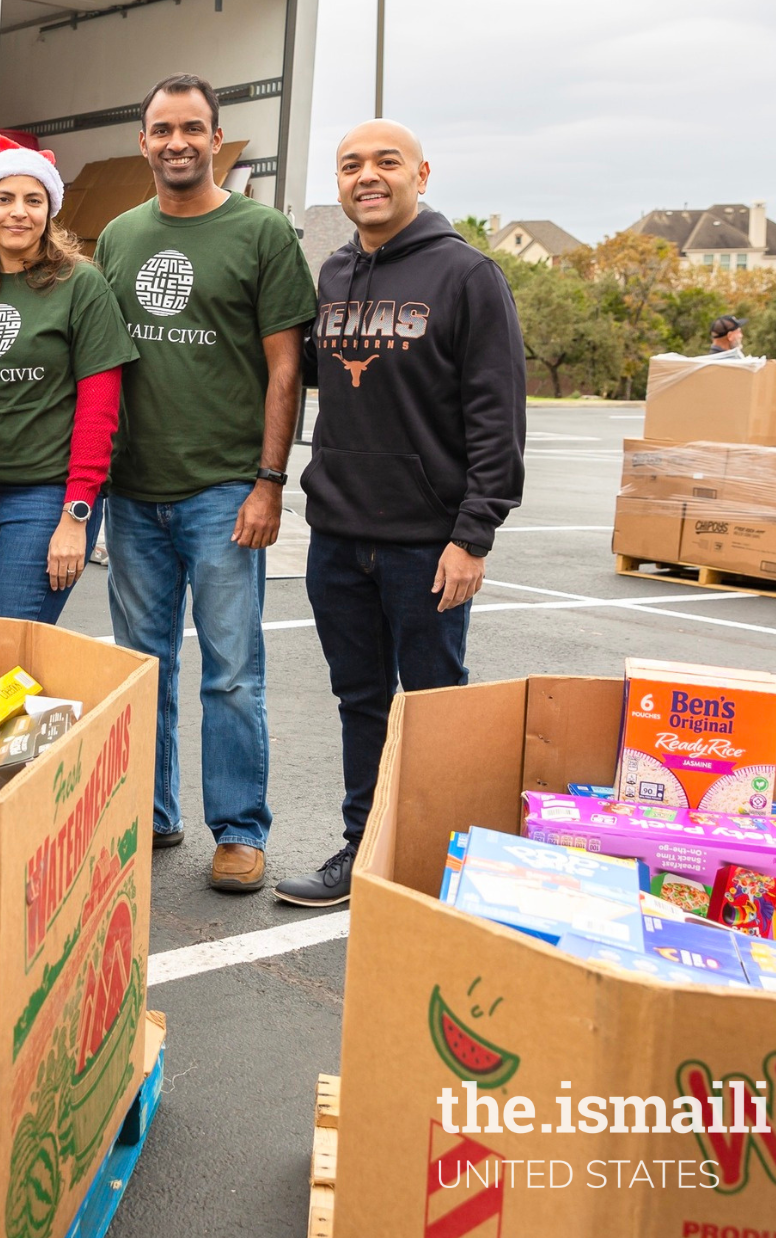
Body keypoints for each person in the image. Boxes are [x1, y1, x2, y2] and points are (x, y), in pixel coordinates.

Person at [273, 120, 525, 908]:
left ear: (421, 172)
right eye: (351, 166)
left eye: (386, 162)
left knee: (436, 707)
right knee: (360, 704)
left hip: (427, 546)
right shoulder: (334, 274)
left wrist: (472, 535)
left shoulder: (467, 275)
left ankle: (445, 860)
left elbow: (497, 415)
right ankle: (364, 847)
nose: (367, 177)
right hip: (340, 539)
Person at [95, 74, 316, 893]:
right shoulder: (118, 236)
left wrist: (268, 482)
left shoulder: (261, 233)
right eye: (161, 129)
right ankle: (150, 812)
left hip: (225, 490)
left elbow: (285, 367)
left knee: (231, 670)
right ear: (142, 141)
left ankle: (239, 831)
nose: (176, 141)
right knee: (141, 666)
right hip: (134, 492)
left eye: (192, 128)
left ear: (216, 138)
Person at [0, 132, 137, 622]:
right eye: (4, 199)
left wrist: (76, 516)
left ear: (50, 210)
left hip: (44, 499)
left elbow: (99, 407)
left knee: (10, 644)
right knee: (7, 644)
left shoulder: (79, 284)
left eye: (34, 199)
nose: (18, 212)